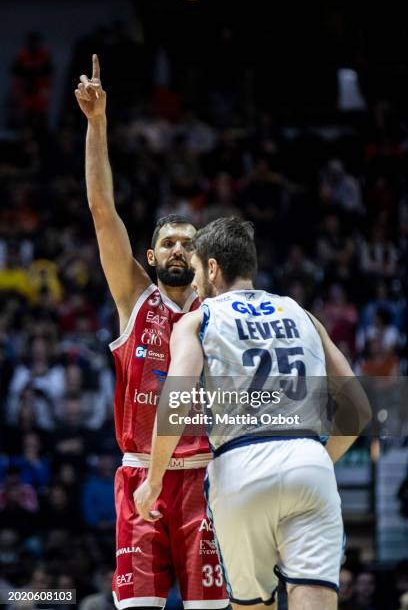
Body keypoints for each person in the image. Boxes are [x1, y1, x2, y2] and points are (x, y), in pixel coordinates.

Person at [134, 217, 370, 610]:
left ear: (211, 268)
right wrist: (318, 460)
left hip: (240, 466)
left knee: (252, 604)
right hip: (308, 459)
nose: (193, 285)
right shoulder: (302, 314)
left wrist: (154, 479)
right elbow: (359, 409)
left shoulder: (198, 319)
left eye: (195, 273)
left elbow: (175, 401)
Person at [75, 56, 228, 610]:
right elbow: (100, 209)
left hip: (206, 478)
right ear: (151, 255)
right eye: (168, 243)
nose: (179, 249)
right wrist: (98, 123)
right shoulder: (134, 298)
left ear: (203, 256)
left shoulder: (220, 307)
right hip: (140, 478)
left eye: (189, 243)